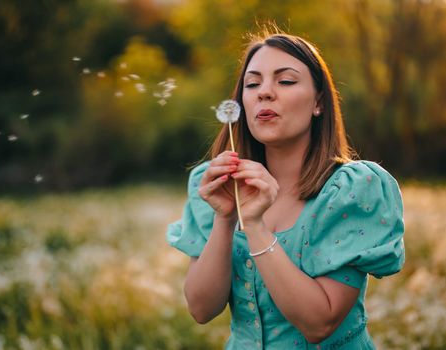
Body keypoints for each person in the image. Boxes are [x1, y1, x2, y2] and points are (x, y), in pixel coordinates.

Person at [166, 31, 405, 349]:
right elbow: (201, 309)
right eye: (252, 84)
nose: (264, 92)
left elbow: (319, 323)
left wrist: (253, 225)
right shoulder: (216, 185)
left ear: (319, 102)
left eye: (286, 81)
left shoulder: (352, 190)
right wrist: (226, 218)